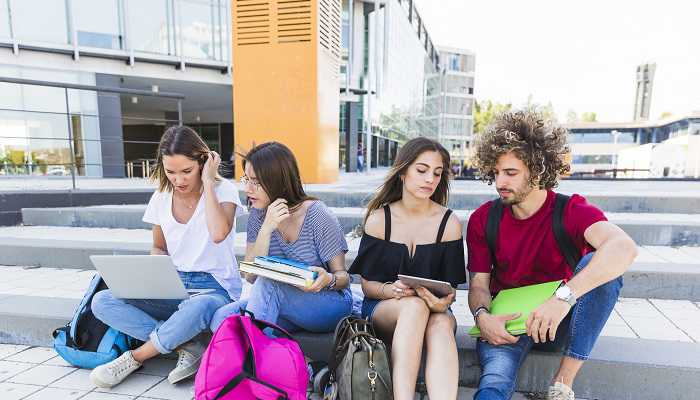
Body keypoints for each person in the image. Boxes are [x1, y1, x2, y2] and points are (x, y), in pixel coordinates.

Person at [466, 110, 637, 400]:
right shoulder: (484, 218)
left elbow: (624, 247)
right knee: (493, 384)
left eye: (510, 173)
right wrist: (482, 316)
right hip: (508, 322)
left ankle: (562, 384)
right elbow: (479, 286)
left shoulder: (571, 211)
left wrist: (563, 299)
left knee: (603, 268)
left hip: (558, 322)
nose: (499, 183)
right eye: (495, 172)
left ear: (538, 169)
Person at [90, 126, 246, 388]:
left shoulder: (223, 190)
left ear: (202, 162)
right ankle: (186, 345)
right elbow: (159, 247)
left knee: (197, 307)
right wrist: (154, 272)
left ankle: (135, 357)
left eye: (186, 171)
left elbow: (219, 233)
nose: (178, 180)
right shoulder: (161, 197)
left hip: (214, 288)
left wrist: (208, 182)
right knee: (102, 301)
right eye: (170, 172)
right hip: (173, 285)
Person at [348, 137, 466, 400]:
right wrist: (394, 291)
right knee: (414, 306)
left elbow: (450, 292)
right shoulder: (380, 220)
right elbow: (367, 285)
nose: (430, 180)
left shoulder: (448, 223)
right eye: (421, 170)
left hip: (433, 310)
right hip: (384, 310)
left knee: (441, 324)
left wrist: (437, 303)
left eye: (437, 173)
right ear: (403, 172)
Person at [210, 141, 352, 335]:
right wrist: (267, 228)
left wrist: (327, 279)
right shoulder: (258, 215)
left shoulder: (318, 216)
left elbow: (343, 278)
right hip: (284, 304)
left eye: (256, 182)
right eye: (246, 179)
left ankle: (259, 361)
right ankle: (281, 360)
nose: (248, 189)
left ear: (279, 181)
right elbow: (251, 277)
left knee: (269, 285)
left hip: (329, 303)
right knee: (222, 318)